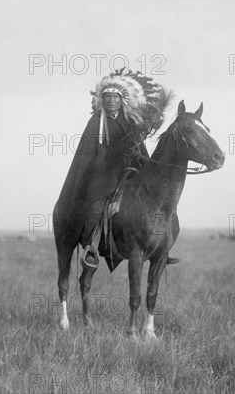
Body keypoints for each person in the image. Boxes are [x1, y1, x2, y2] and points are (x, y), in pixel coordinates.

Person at [53, 68, 175, 271]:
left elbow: (140, 150)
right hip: (103, 177)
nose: (111, 101)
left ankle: (162, 247)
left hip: (129, 174)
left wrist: (146, 167)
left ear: (122, 100)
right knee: (95, 207)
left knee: (158, 201)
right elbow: (86, 154)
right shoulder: (95, 122)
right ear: (102, 100)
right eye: (107, 97)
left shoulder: (130, 122)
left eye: (114, 97)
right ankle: (92, 245)